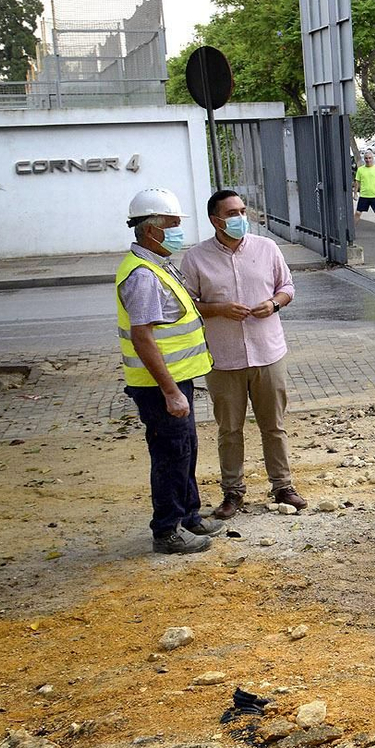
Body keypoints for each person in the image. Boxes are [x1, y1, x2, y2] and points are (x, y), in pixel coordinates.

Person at [180, 190, 306, 519]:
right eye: (232, 213)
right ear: (215, 220)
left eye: (242, 211)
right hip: (224, 359)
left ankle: (283, 485)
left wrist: (275, 303)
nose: (240, 217)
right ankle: (232, 493)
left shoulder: (267, 248)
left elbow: (288, 286)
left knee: (274, 426)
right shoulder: (195, 258)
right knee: (229, 430)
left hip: (268, 353)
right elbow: (187, 305)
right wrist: (218, 309)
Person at [116, 188, 222, 554]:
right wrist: (171, 392)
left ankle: (189, 516)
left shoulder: (158, 264)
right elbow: (143, 337)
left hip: (176, 379)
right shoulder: (143, 275)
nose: (179, 232)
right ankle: (167, 530)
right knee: (170, 454)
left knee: (185, 449)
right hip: (160, 385)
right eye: (173, 225)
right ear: (151, 231)